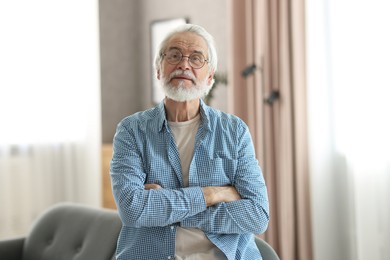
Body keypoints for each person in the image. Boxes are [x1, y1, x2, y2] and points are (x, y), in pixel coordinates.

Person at [110, 24, 269, 260]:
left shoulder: (234, 131)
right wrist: (213, 194)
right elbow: (133, 210)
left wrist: (163, 208)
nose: (184, 64)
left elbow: (257, 215)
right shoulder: (131, 131)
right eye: (174, 55)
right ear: (158, 69)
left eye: (196, 58)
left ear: (210, 76)